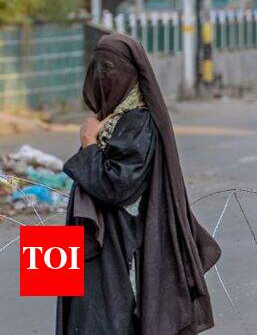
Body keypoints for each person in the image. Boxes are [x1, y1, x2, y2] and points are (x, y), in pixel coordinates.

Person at [58, 33, 221, 334]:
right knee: (75, 315)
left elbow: (116, 186)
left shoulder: (138, 121)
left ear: (130, 74)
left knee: (107, 321)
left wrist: (89, 143)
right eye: (97, 68)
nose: (101, 77)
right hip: (88, 243)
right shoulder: (108, 119)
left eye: (109, 68)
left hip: (118, 245)